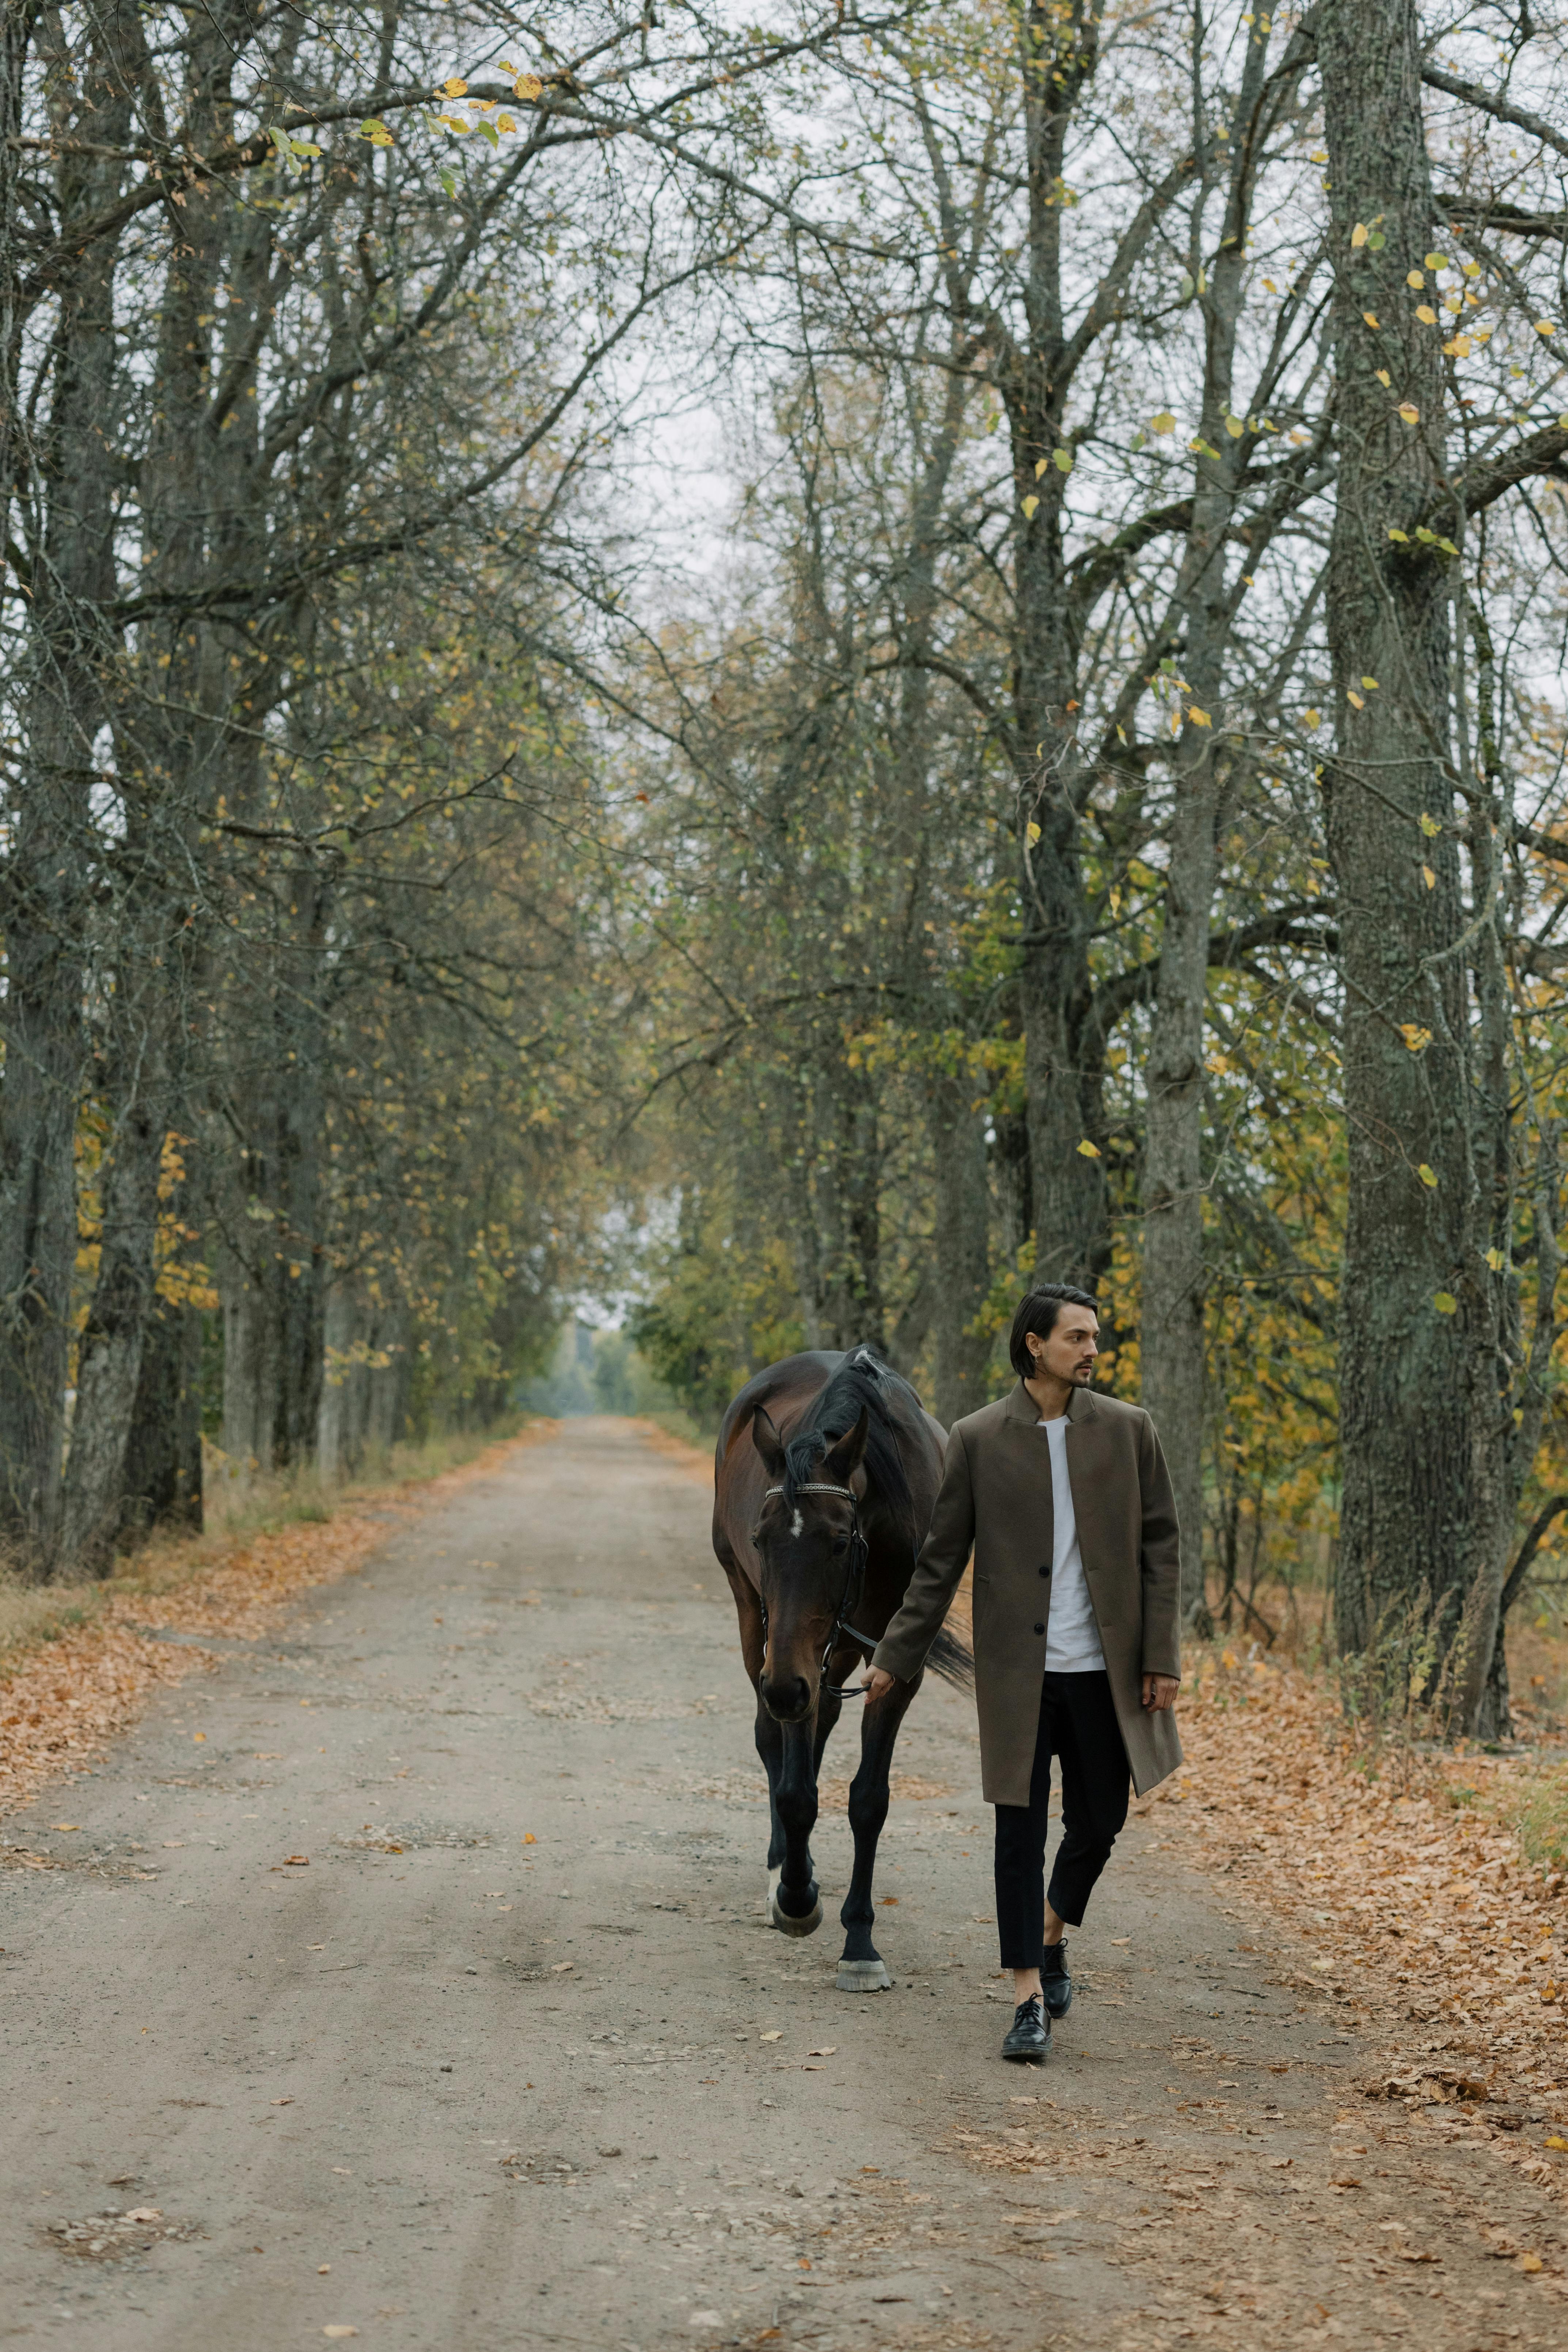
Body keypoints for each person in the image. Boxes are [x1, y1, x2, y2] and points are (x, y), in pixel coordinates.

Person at [863, 1285, 1181, 2062]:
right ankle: (1026, 1997)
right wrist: (896, 1654)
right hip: (1017, 1675)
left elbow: (1161, 1549)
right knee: (1018, 1831)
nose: (1092, 1348)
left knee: (1101, 1819)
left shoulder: (1129, 1431)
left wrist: (1160, 1658)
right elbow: (940, 1563)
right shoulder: (975, 1438)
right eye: (1077, 1336)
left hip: (1103, 1670)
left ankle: (1050, 1926)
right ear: (1034, 1344)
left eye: (1094, 1336)